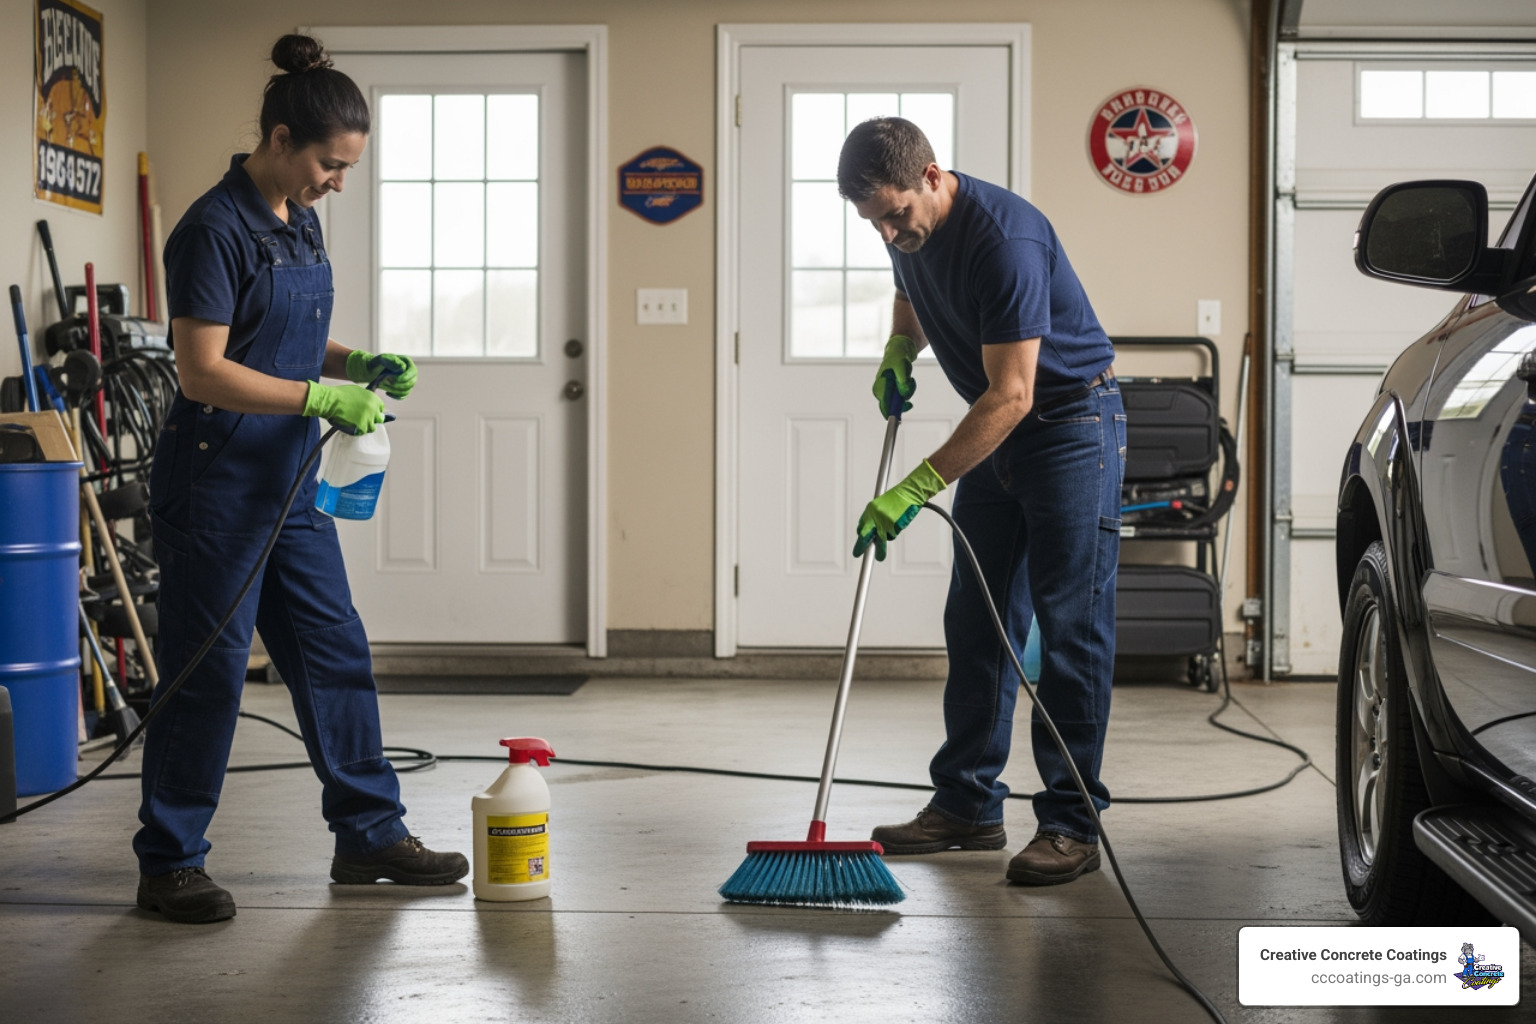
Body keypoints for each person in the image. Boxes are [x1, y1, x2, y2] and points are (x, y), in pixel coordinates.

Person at [134, 34, 467, 924]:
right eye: (330, 163)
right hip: (215, 488)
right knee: (207, 676)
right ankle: (170, 860)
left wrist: (356, 360)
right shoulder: (211, 228)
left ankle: (369, 835)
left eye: (348, 167)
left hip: (287, 482)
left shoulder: (297, 216)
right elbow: (202, 368)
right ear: (281, 139)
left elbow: (278, 336)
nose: (338, 182)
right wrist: (321, 392)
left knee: (334, 654)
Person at [839, 117, 1124, 886]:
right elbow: (913, 287)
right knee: (978, 619)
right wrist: (903, 345)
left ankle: (1070, 823)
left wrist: (916, 487)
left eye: (898, 214)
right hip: (1004, 429)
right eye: (875, 222)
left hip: (1070, 426)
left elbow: (1013, 395)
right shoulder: (907, 230)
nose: (891, 232)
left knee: (1070, 631)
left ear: (933, 175)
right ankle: (967, 806)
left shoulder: (1006, 239)